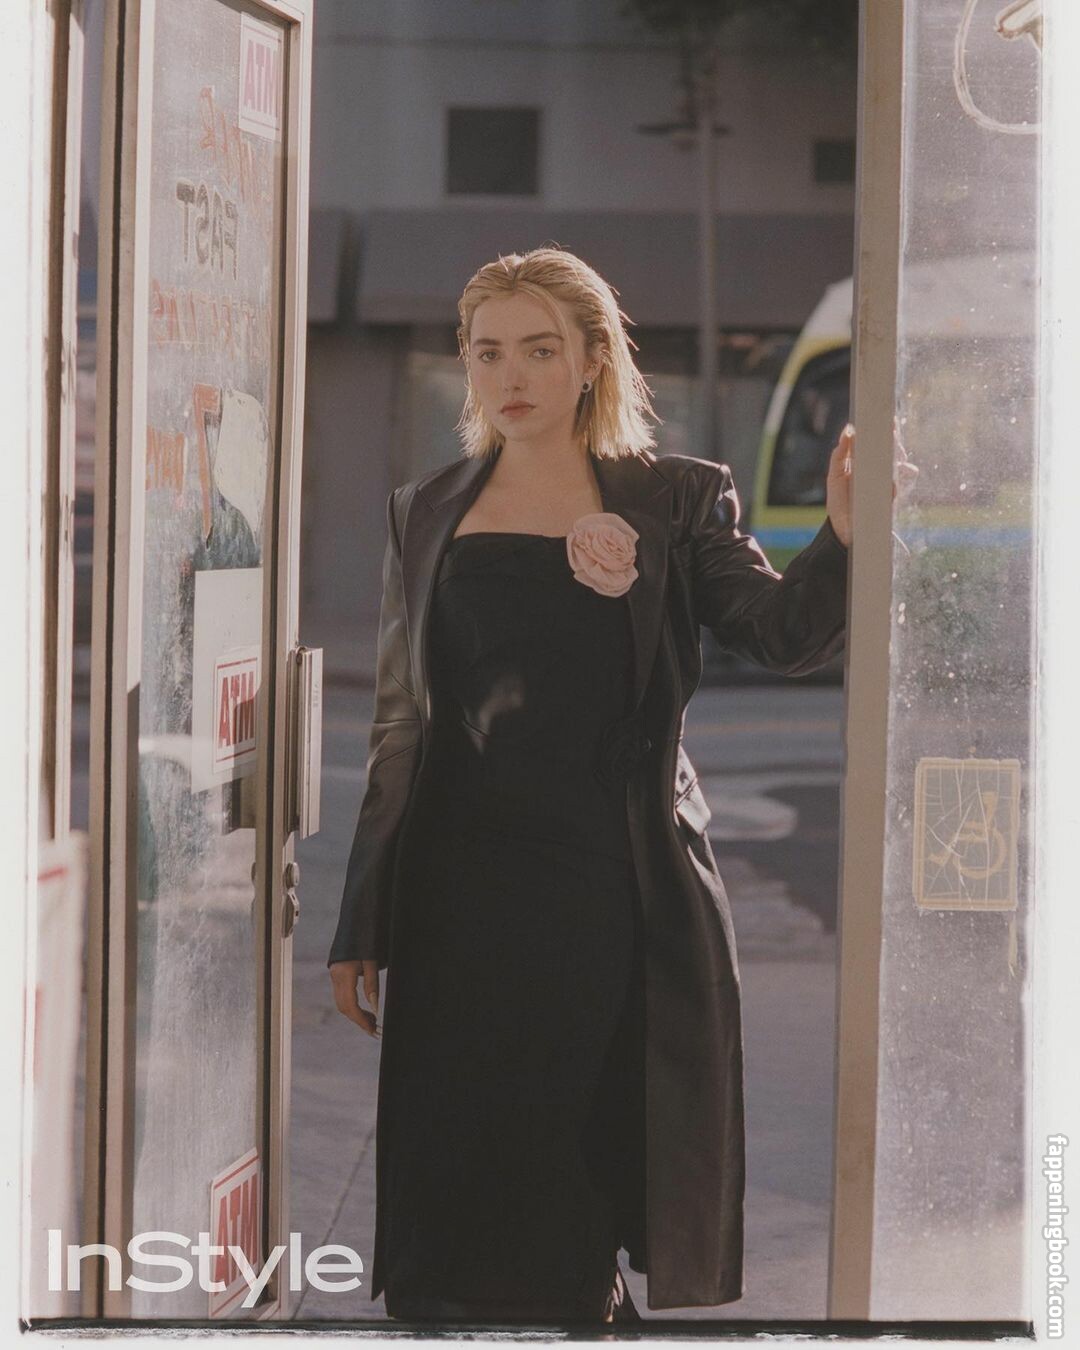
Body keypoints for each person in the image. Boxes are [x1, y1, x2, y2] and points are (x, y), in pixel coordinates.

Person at [328, 246, 868, 1326]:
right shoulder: (424, 508)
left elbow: (784, 634)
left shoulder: (675, 498)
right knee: (451, 1192)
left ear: (590, 362)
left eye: (539, 350)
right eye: (488, 352)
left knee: (571, 1189)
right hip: (455, 899)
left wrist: (845, 535)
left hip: (609, 893)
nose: (511, 375)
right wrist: (363, 920)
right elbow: (402, 727)